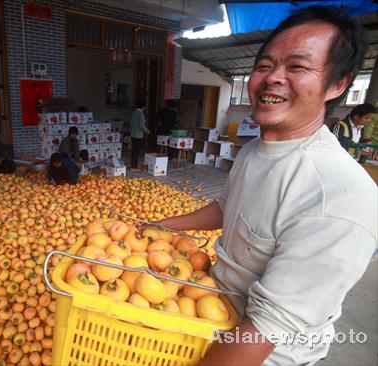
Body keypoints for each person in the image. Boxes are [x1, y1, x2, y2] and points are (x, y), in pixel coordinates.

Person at [141, 7, 376, 365]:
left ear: (337, 84)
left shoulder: (339, 193)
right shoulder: (254, 150)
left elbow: (267, 330)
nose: (273, 79)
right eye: (265, 66)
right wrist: (162, 225)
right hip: (210, 313)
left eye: (297, 67)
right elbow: (228, 206)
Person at [130, 100, 150, 170]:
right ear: (144, 107)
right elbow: (141, 125)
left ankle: (133, 164)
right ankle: (134, 166)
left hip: (133, 134)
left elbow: (132, 124)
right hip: (138, 135)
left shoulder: (134, 113)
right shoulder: (141, 113)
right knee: (137, 151)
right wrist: (147, 131)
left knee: (134, 150)